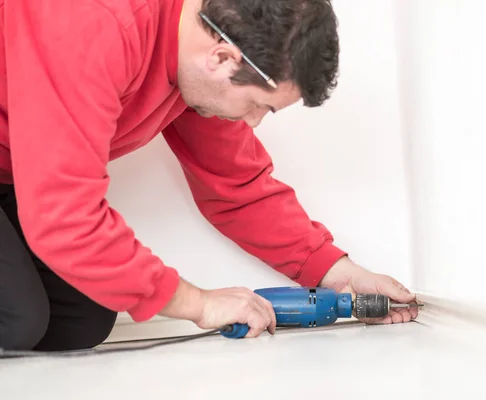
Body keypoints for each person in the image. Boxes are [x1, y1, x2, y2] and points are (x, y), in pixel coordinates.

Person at [0, 0, 418, 351]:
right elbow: (65, 218)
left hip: (13, 173)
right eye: (258, 105)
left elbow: (237, 185)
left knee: (81, 319)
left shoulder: (196, 62)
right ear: (222, 57)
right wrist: (198, 303)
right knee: (19, 318)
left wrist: (341, 273)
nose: (253, 123)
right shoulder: (96, 21)